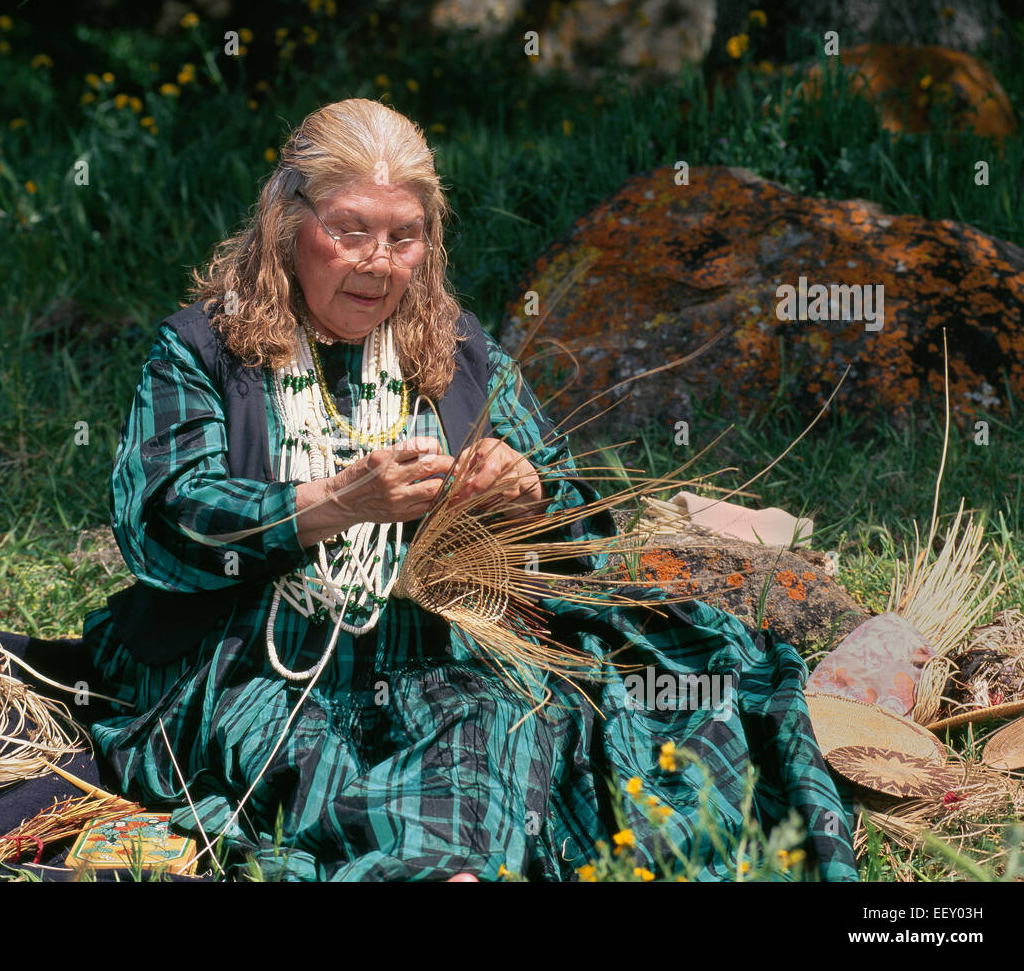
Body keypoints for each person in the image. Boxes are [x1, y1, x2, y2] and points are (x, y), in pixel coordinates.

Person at [80, 98, 858, 882]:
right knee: (309, 756)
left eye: (403, 235)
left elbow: (572, 514)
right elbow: (165, 514)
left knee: (502, 719)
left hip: (436, 646)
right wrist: (338, 503)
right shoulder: (203, 351)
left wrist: (526, 493)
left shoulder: (457, 348)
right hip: (258, 653)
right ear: (287, 221)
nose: (379, 262)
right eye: (350, 230)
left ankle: (457, 867)